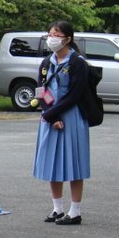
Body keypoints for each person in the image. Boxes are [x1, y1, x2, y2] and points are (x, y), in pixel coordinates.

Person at [32, 20, 91, 225]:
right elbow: (41, 91)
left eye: (56, 35)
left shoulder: (78, 63)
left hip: (72, 117)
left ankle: (75, 211)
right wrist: (51, 114)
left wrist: (54, 114)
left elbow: (75, 94)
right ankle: (57, 208)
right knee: (52, 162)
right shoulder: (47, 62)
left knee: (74, 163)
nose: (52, 39)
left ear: (67, 38)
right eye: (50, 34)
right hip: (51, 117)